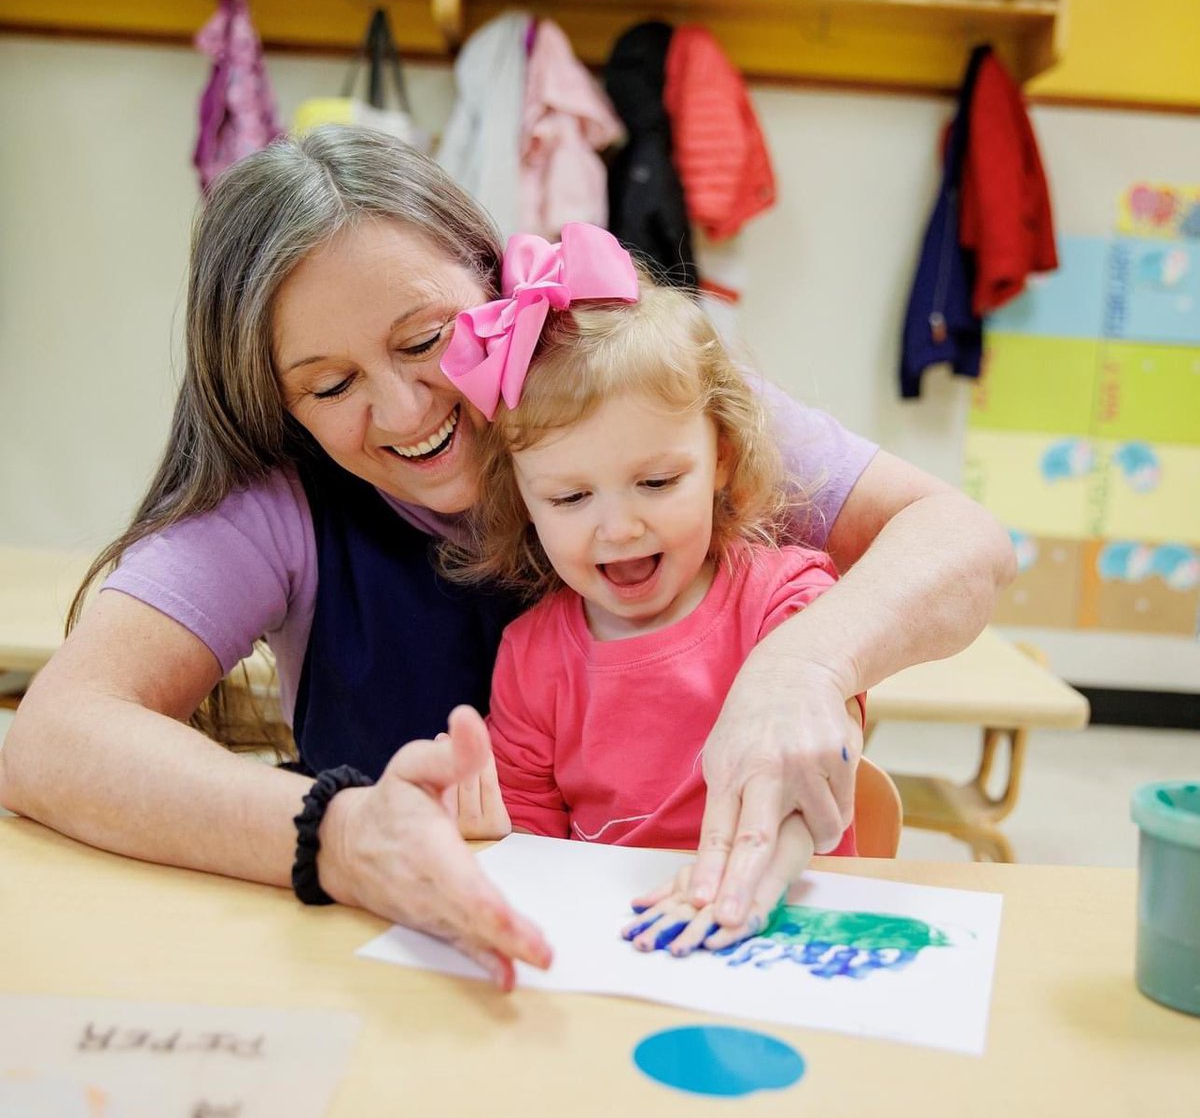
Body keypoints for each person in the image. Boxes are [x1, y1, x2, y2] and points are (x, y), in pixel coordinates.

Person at [0, 127, 1014, 990]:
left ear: (493, 281)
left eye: (426, 337)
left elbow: (962, 540)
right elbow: (52, 739)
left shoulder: (638, 389)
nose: (403, 411)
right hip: (419, 974)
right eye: (327, 385)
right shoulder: (282, 506)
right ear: (277, 401)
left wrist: (810, 663)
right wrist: (341, 834)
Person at [438, 224, 864, 959]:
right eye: (570, 498)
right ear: (524, 502)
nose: (618, 527)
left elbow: (816, 780)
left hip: (787, 938)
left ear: (722, 458)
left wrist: (729, 889)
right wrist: (478, 839)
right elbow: (532, 851)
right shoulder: (531, 656)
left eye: (657, 482)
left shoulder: (788, 602)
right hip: (620, 952)